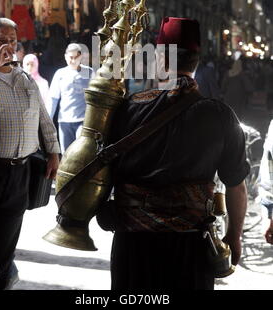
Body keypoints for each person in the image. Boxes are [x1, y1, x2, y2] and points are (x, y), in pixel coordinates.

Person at [104, 17, 249, 291]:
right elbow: (236, 186)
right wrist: (234, 236)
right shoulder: (220, 115)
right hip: (191, 246)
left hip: (134, 244)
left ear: (160, 59)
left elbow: (101, 172)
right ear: (196, 61)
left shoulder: (127, 109)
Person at [0, 18, 61, 290]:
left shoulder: (24, 78)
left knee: (6, 241)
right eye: (1, 41)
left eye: (12, 41)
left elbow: (43, 117)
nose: (7, 47)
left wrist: (54, 151)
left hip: (19, 173)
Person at [48, 42, 93, 154]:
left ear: (81, 57)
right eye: (70, 57)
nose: (73, 60)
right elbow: (53, 99)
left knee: (81, 152)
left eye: (75, 57)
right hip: (64, 121)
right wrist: (48, 120)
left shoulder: (89, 72)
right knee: (66, 153)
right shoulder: (60, 73)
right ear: (65, 57)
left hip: (83, 120)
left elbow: (95, 97)